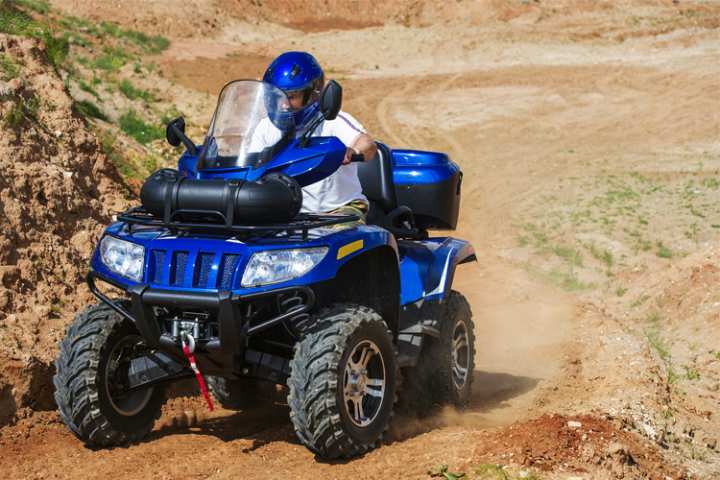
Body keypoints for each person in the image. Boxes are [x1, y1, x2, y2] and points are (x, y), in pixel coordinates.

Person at [251, 51, 377, 223]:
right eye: (276, 95)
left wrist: (353, 150)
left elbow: (368, 145)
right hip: (290, 212)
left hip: (342, 208)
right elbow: (250, 165)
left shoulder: (331, 120)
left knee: (340, 237)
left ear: (313, 94)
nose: (282, 103)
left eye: (291, 96)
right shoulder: (265, 127)